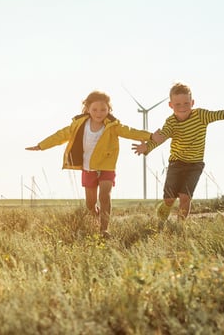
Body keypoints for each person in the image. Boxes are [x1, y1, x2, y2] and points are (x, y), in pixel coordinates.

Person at [26, 90, 161, 238]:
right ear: (88, 109)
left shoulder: (113, 126)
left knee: (105, 196)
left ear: (109, 109)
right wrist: (41, 145)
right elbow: (60, 135)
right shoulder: (79, 124)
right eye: (95, 109)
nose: (99, 113)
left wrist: (150, 136)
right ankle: (96, 216)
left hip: (106, 167)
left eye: (103, 109)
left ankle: (104, 229)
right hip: (88, 168)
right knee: (90, 204)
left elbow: (130, 132)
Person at [132, 82, 224, 225]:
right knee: (169, 199)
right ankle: (163, 214)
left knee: (185, 196)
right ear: (171, 105)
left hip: (195, 165)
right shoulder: (171, 122)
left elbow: (220, 114)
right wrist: (148, 147)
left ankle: (180, 225)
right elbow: (162, 137)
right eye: (178, 104)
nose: (182, 107)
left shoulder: (201, 115)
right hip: (176, 163)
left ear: (192, 102)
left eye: (186, 103)